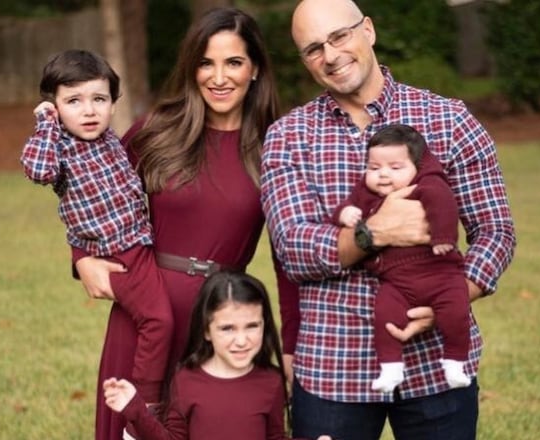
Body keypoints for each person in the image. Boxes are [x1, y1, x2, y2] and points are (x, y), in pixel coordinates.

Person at [260, 0, 516, 439]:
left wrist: (446, 299)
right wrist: (373, 232)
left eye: (339, 36)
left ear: (369, 31)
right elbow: (294, 248)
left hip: (436, 366)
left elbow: (496, 231)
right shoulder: (288, 136)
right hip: (333, 369)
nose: (331, 55)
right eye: (314, 48)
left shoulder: (449, 120)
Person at [70, 8, 297, 440]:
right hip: (142, 318)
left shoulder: (275, 145)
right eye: (206, 62)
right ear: (191, 67)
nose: (219, 77)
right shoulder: (157, 130)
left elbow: (287, 259)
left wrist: (291, 347)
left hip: (219, 324)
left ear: (255, 70)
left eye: (233, 62)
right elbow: (93, 190)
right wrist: (81, 258)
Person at [20, 49, 173, 407]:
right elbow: (38, 170)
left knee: (159, 319)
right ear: (55, 107)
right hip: (119, 255)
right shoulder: (59, 148)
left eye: (99, 99)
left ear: (113, 103)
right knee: (159, 321)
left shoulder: (110, 140)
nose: (89, 110)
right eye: (74, 101)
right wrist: (46, 123)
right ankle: (144, 403)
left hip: (139, 245)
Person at [103, 271, 331, 440]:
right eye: (227, 328)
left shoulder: (270, 381)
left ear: (264, 324)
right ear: (206, 330)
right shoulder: (186, 380)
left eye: (252, 326)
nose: (241, 340)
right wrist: (136, 410)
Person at [332, 124, 471, 393]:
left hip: (442, 275)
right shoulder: (366, 193)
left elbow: (442, 204)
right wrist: (345, 213)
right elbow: (348, 207)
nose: (383, 175)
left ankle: (455, 362)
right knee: (385, 314)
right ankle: (390, 369)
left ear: (416, 167)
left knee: (455, 313)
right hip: (396, 281)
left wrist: (443, 237)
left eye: (395, 168)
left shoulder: (426, 185)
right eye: (374, 168)